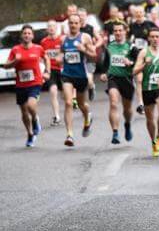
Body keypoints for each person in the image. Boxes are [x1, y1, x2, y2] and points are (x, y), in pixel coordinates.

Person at [4, 25, 50, 147]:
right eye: (25, 33)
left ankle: (35, 120)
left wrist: (47, 72)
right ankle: (30, 134)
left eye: (29, 33)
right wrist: (15, 61)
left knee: (31, 105)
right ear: (21, 35)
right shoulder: (15, 50)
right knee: (24, 112)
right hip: (20, 84)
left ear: (32, 36)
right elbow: (7, 65)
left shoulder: (38, 48)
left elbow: (46, 58)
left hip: (35, 82)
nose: (27, 35)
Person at [60, 14, 96, 147]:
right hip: (67, 75)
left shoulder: (85, 37)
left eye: (76, 23)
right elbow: (61, 53)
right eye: (71, 23)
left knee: (82, 104)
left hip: (81, 75)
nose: (73, 25)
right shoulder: (63, 39)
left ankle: (88, 116)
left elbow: (94, 56)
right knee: (69, 103)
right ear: (68, 24)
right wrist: (58, 59)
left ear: (80, 24)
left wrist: (84, 50)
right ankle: (70, 135)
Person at [133, 28, 159, 156]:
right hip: (147, 88)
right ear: (148, 38)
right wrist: (144, 65)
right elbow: (134, 71)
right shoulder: (143, 53)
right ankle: (153, 142)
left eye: (157, 36)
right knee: (150, 118)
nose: (154, 39)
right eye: (152, 37)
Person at [99, 22, 136, 145]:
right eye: (116, 31)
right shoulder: (110, 46)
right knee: (113, 103)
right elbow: (105, 63)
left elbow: (138, 62)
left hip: (126, 79)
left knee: (127, 109)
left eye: (120, 30)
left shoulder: (131, 46)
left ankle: (127, 124)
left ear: (125, 31)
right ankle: (115, 132)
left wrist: (130, 63)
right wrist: (104, 73)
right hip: (113, 78)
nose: (118, 33)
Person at [40, 20, 63, 125]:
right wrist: (43, 70)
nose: (51, 28)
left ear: (56, 28)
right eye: (49, 26)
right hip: (51, 70)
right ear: (47, 29)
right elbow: (42, 58)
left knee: (66, 97)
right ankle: (57, 116)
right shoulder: (43, 42)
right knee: (53, 91)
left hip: (63, 69)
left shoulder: (61, 40)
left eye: (53, 26)